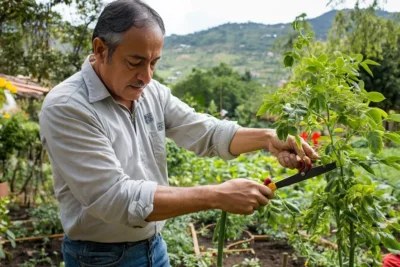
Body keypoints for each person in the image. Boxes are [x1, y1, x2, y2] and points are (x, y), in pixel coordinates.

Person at [39, 0, 319, 266]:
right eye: (135, 62)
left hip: (153, 246)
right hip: (100, 258)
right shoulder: (68, 107)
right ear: (101, 50)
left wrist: (268, 137)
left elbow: (206, 132)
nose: (146, 76)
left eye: (154, 63)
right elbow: (115, 198)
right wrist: (215, 195)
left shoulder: (150, 92)